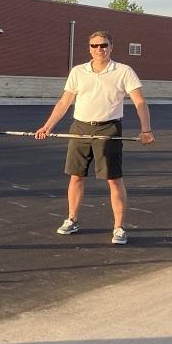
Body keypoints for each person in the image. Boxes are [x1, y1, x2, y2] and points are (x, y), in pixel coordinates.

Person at [35, 30, 155, 245]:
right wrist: (47, 126)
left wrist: (146, 130)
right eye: (95, 45)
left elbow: (139, 101)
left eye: (104, 45)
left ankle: (118, 228)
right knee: (76, 177)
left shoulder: (124, 71)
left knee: (113, 179)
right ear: (89, 48)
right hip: (79, 128)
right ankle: (72, 220)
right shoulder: (78, 71)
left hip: (108, 129)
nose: (99, 49)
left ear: (111, 47)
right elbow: (64, 102)